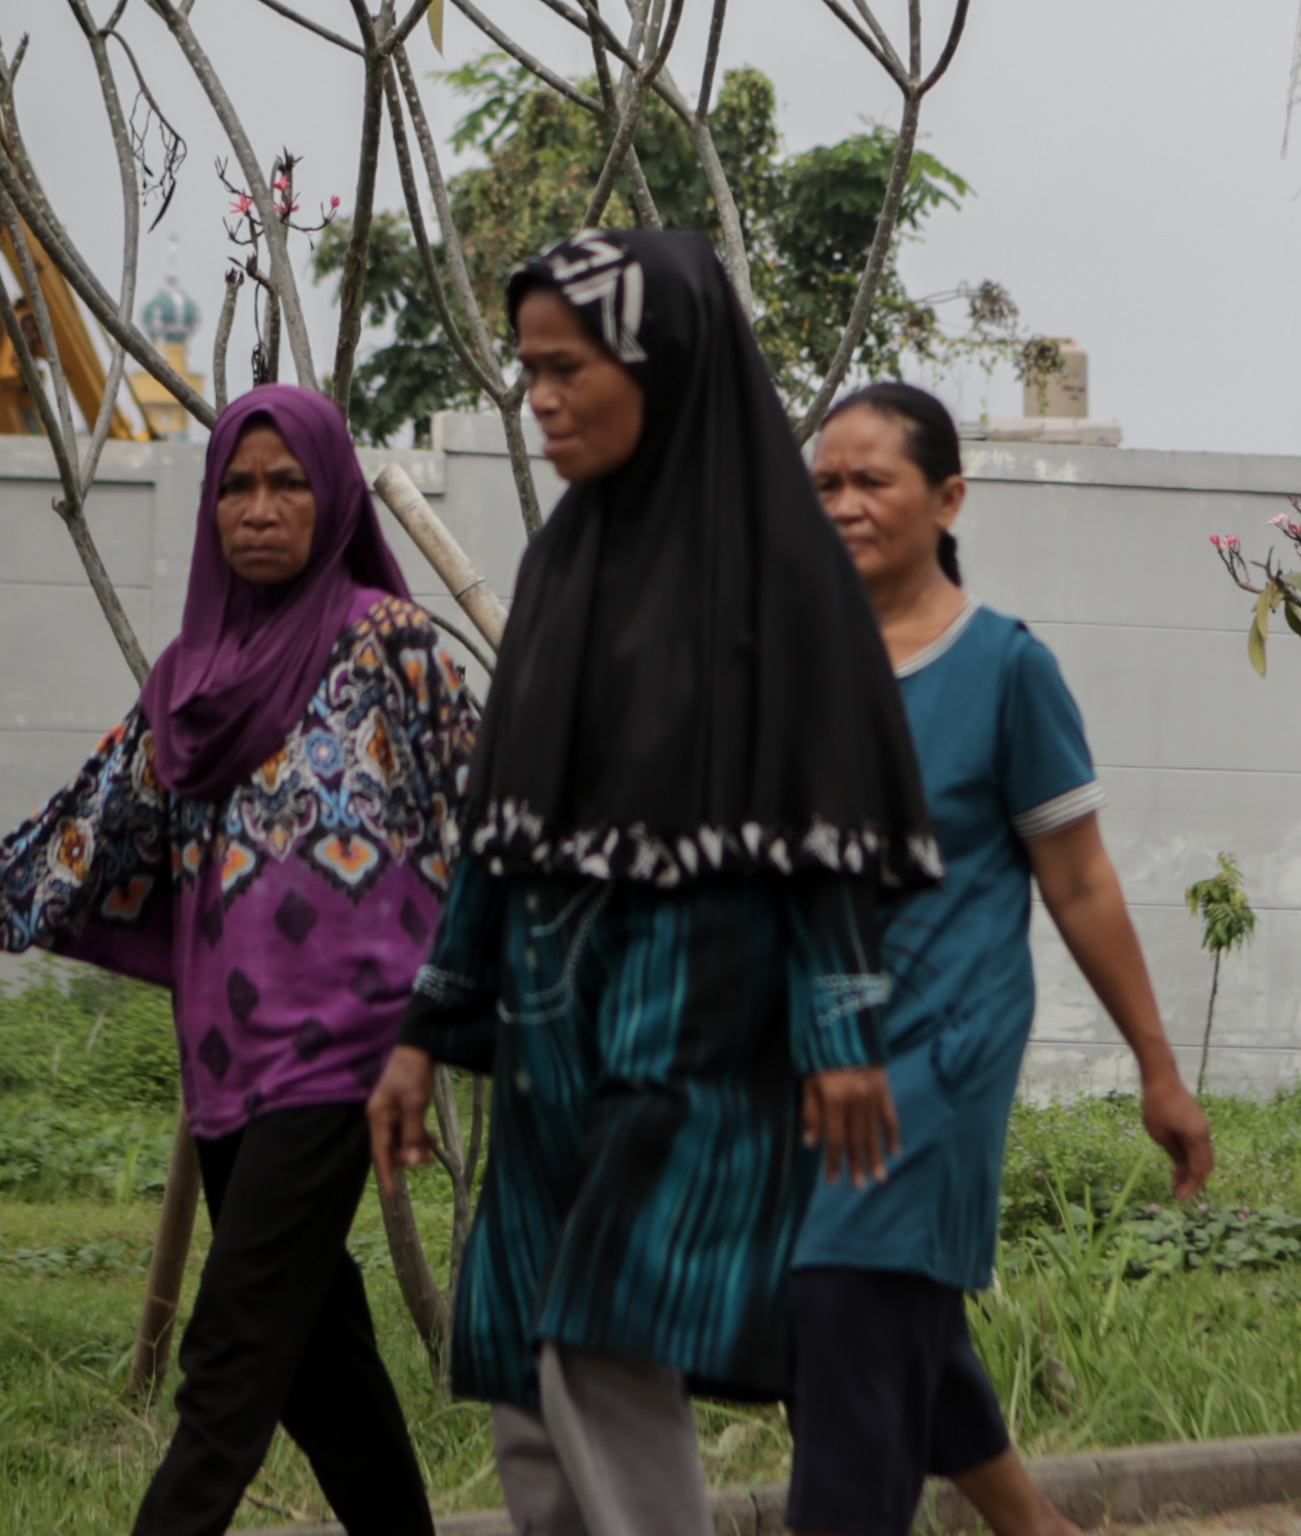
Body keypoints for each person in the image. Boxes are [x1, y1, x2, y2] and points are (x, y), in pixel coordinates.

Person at [0, 385, 473, 1536]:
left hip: (352, 1055)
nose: (258, 509)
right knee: (323, 1364)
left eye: (287, 483)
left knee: (226, 1360)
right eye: (237, 486)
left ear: (331, 498)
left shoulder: (389, 644)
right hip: (230, 1067)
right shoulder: (192, 678)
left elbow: (497, 821)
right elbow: (85, 829)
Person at [368, 230, 941, 1536]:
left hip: (705, 1017)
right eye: (529, 371)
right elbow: (504, 822)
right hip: (547, 1022)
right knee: (521, 1348)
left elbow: (828, 817)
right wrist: (421, 1031)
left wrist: (842, 1035)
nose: (544, 399)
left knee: (601, 1323)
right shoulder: (567, 556)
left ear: (659, 358)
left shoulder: (781, 569)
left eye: (568, 366)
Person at [781, 381, 1212, 1536]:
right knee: (887, 1306)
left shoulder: (1008, 668)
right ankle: (1035, 1525)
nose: (844, 502)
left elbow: (1078, 879)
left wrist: (1157, 1068)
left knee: (844, 1302)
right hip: (809, 1047)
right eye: (826, 480)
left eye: (872, 479)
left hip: (943, 1048)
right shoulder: (791, 669)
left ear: (950, 495)